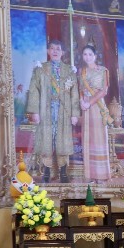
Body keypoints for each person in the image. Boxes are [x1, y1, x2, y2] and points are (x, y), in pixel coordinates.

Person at [24, 40, 79, 183]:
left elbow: (75, 93)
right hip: (45, 110)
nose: (55, 51)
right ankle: (47, 170)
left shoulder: (69, 71)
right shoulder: (40, 69)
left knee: (63, 140)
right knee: (46, 139)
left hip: (64, 110)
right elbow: (34, 91)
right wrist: (34, 111)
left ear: (62, 53)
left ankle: (63, 171)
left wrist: (74, 114)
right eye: (52, 48)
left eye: (58, 49)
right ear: (48, 51)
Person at [77, 44, 113, 183]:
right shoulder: (82, 71)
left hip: (97, 106)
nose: (87, 57)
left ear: (95, 56)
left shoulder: (103, 70)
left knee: (99, 137)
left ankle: (102, 174)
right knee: (88, 138)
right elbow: (80, 88)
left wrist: (89, 102)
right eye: (85, 54)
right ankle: (90, 174)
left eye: (90, 54)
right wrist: (81, 101)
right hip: (85, 107)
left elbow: (104, 91)